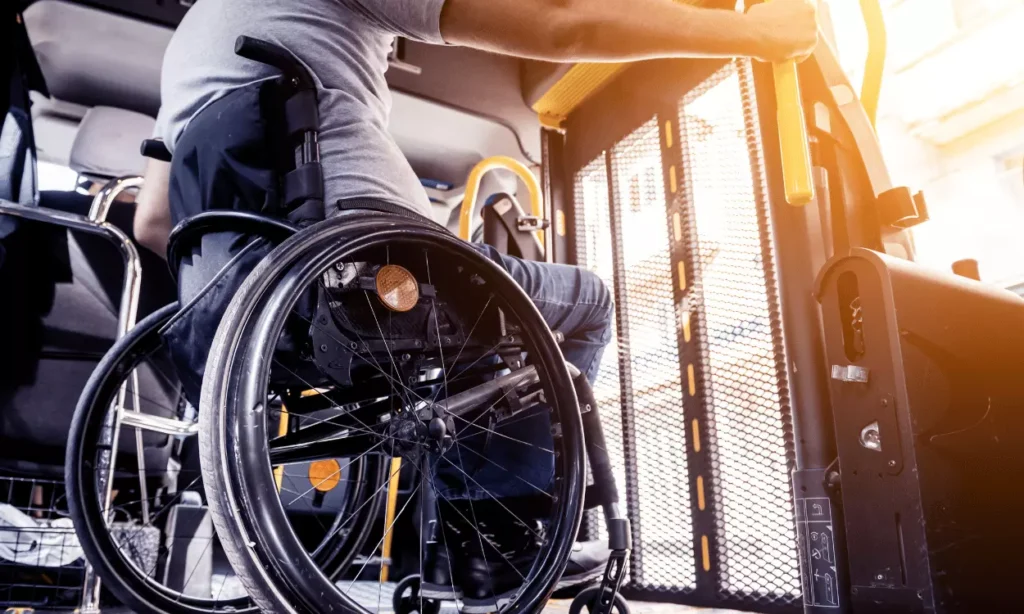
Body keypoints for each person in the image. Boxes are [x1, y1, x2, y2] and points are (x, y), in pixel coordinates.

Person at [133, 0, 818, 608]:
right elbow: (563, 22)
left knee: (468, 336)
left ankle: (479, 536)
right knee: (588, 302)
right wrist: (752, 34)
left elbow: (154, 222)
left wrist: (270, 276)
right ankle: (497, 540)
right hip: (375, 259)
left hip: (240, 303)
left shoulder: (187, 46)